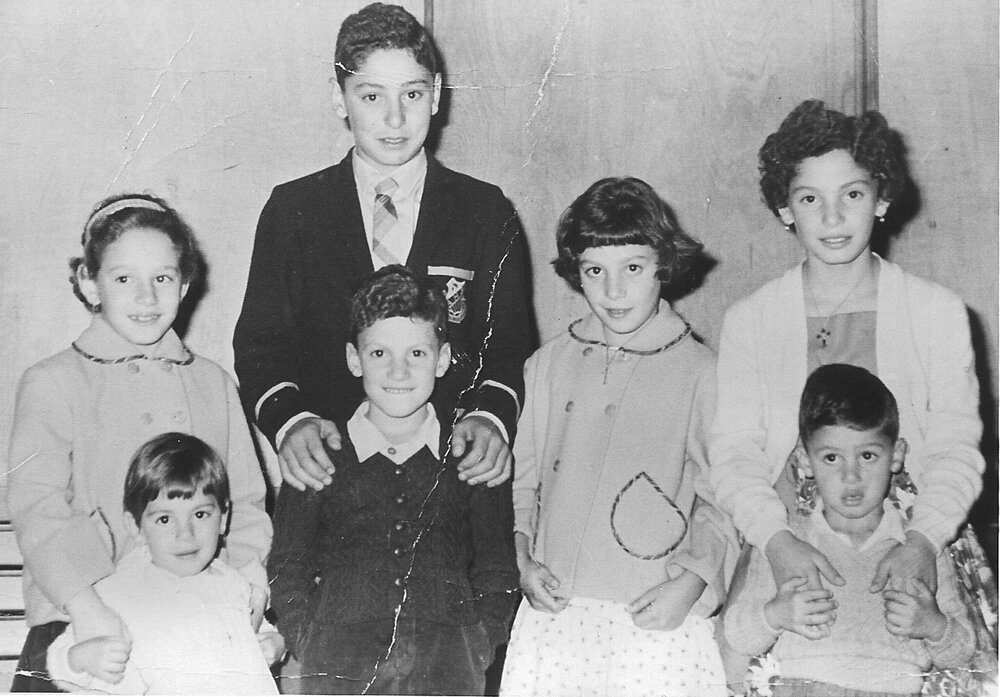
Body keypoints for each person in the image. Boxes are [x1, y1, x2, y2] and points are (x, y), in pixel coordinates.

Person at [708, 99, 987, 688]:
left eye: (853, 195)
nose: (833, 217)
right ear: (785, 208)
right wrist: (778, 544)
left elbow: (959, 448)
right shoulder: (751, 320)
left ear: (882, 199)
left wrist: (922, 542)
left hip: (915, 545)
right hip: (786, 551)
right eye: (810, 198)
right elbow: (733, 457)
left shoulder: (937, 313)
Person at [233, 2, 534, 494]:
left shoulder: (486, 211)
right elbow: (261, 344)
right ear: (339, 97)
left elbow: (509, 346)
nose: (395, 118)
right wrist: (290, 422)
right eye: (371, 96)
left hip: (451, 472)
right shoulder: (292, 210)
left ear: (435, 95)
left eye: (411, 94)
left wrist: (490, 417)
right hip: (328, 473)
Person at [7, 194, 271, 692]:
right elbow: (37, 507)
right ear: (90, 282)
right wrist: (86, 608)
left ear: (185, 283)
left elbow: (248, 500)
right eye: (124, 279)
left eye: (163, 278)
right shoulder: (53, 380)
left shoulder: (212, 382)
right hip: (83, 619)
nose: (146, 298)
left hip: (190, 612)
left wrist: (250, 580)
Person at [499, 177, 739, 697]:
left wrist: (693, 580)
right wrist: (521, 560)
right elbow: (522, 485)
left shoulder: (702, 371)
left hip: (653, 612)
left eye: (632, 268)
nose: (613, 291)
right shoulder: (547, 365)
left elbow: (723, 498)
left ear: (663, 267)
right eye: (594, 271)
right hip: (557, 614)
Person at [267, 265, 519, 695]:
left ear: (441, 360)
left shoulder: (470, 456)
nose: (398, 373)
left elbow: (497, 568)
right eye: (379, 353)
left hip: (449, 669)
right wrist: (306, 638)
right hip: (339, 667)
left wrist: (479, 644)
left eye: (416, 354)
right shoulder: (319, 454)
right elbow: (289, 563)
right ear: (354, 358)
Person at [725, 364, 975, 696]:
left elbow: (964, 650)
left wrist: (933, 625)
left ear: (896, 455)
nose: (851, 476)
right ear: (804, 460)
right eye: (831, 458)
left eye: (868, 455)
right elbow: (738, 633)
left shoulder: (920, 549)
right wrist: (776, 614)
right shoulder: (787, 544)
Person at [46, 433, 283, 694]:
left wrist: (275, 644)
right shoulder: (121, 590)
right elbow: (61, 659)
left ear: (223, 519)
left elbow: (259, 630)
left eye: (200, 514)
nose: (186, 534)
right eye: (165, 520)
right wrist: (82, 658)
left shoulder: (233, 582)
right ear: (135, 527)